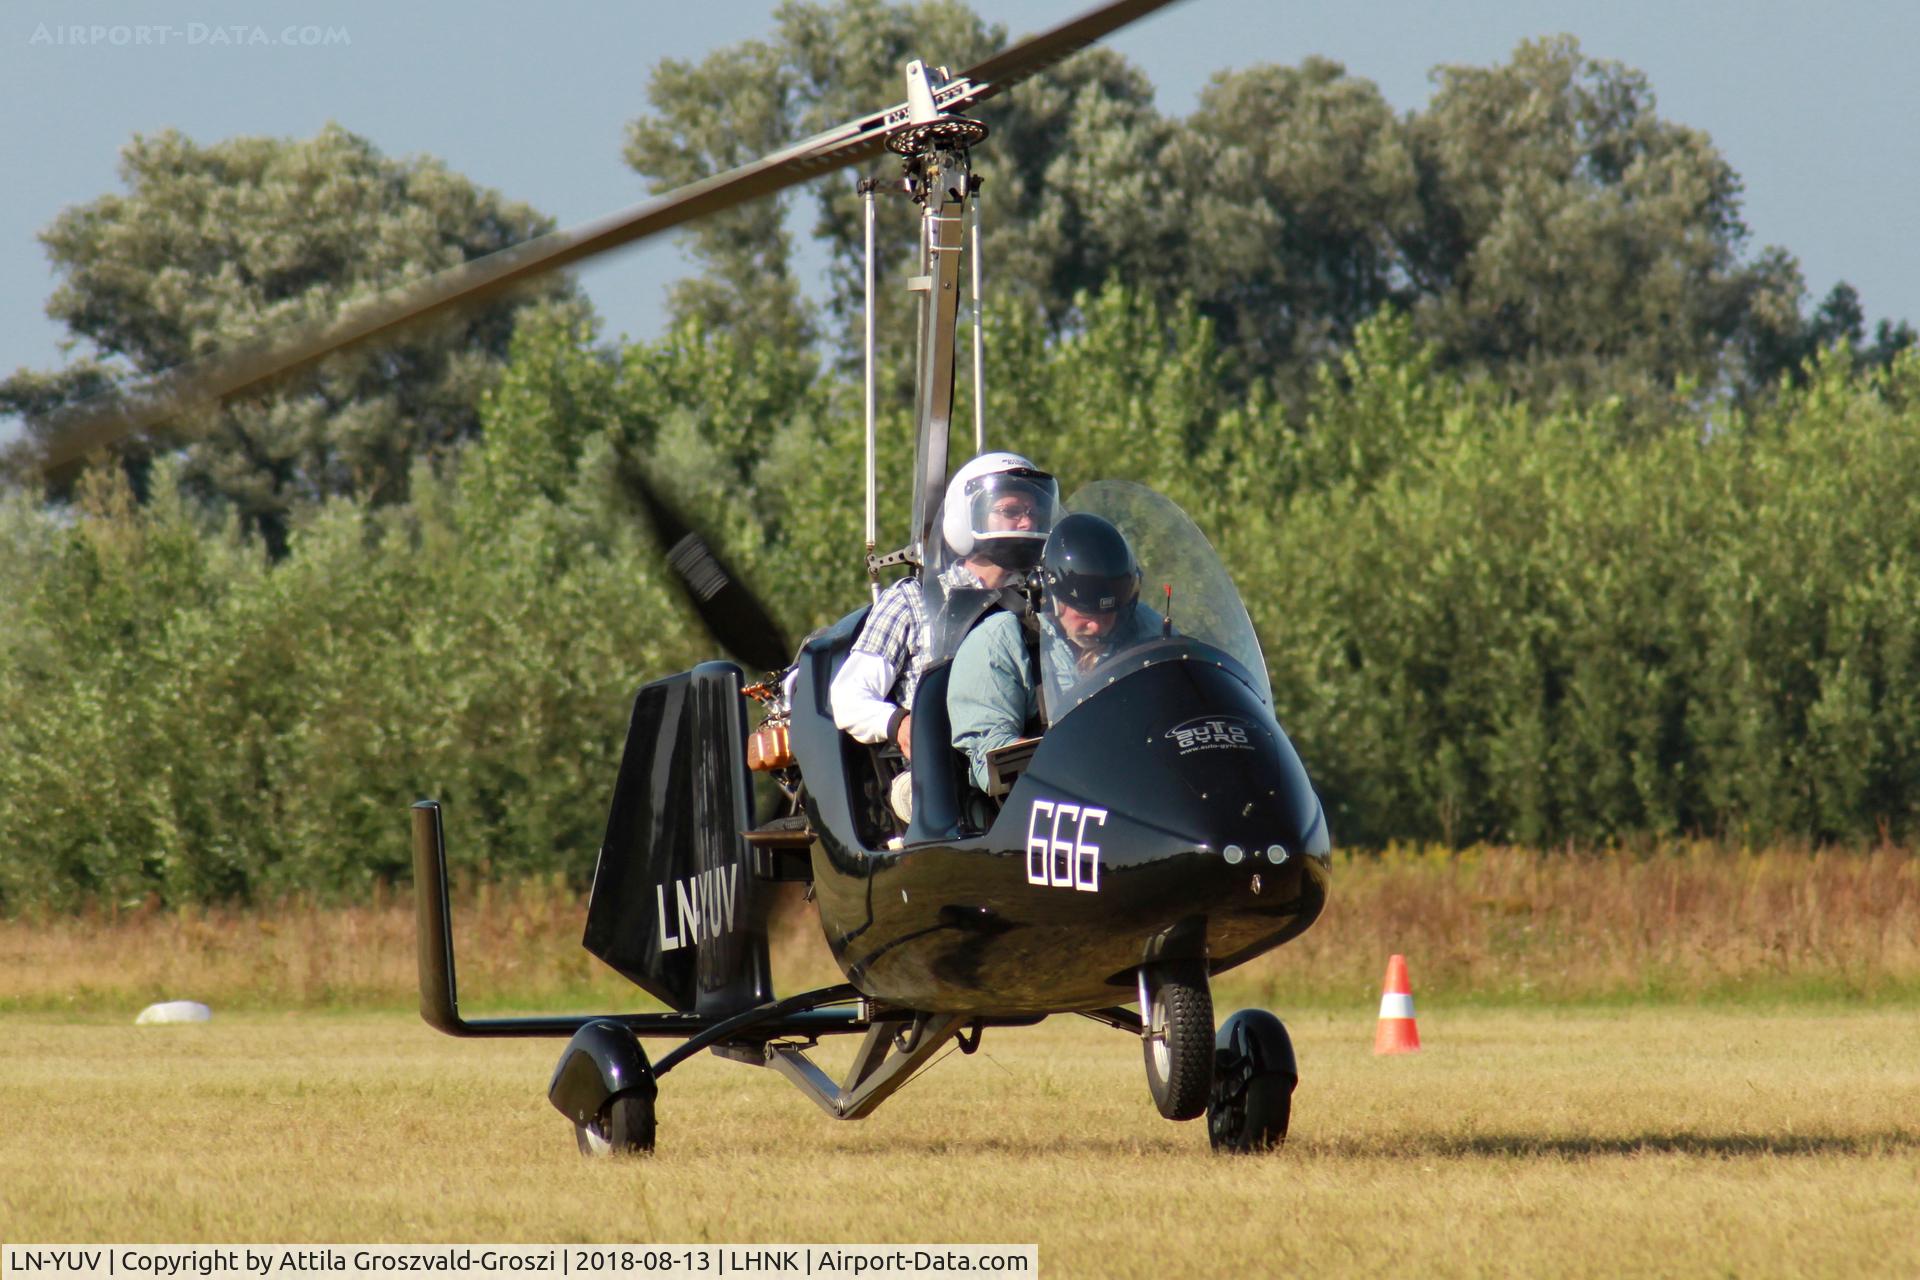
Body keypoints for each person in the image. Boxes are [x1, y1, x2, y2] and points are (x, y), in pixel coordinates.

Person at [830, 451, 1059, 818]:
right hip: (943, 785)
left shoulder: (1048, 603)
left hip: (1032, 768)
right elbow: (849, 696)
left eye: (1033, 512)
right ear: (967, 517)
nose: (1025, 521)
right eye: (1010, 511)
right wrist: (900, 724)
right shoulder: (915, 599)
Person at [948, 513, 1163, 793]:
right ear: (1046, 594)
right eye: (1084, 610)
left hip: (1147, 792)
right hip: (1050, 808)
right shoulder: (1000, 643)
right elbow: (990, 761)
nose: (1097, 624)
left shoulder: (1142, 626)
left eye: (1109, 610)